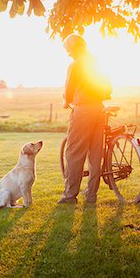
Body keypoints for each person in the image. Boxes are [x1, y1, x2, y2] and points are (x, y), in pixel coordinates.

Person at [58, 33, 112, 205]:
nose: (68, 54)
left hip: (83, 111)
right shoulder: (97, 62)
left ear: (75, 47)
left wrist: (66, 102)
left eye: (68, 49)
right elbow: (108, 87)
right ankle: (91, 196)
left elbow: (68, 92)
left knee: (74, 153)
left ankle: (69, 196)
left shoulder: (74, 65)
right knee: (96, 155)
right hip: (99, 109)